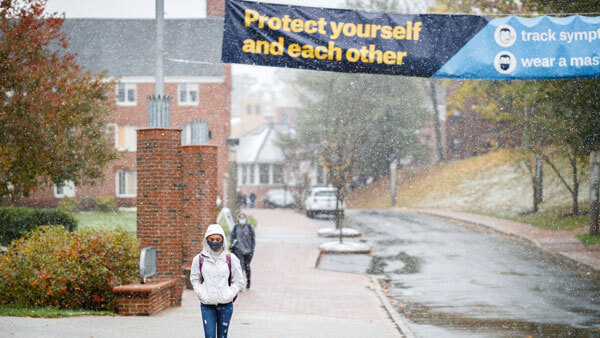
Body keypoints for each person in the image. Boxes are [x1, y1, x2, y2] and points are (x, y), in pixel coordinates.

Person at [190, 224, 244, 338]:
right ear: (207, 240)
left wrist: (229, 294)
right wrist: (201, 293)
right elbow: (194, 279)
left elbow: (238, 281)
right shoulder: (199, 259)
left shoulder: (231, 259)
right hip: (207, 304)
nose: (215, 242)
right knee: (209, 335)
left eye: (218, 239)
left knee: (222, 336)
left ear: (223, 240)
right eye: (212, 239)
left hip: (226, 305)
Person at [230, 212, 256, 289]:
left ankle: (248, 280)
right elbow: (232, 237)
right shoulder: (236, 227)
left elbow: (253, 239)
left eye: (243, 218)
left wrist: (252, 249)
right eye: (240, 218)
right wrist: (231, 245)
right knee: (240, 266)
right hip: (239, 250)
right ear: (238, 219)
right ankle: (240, 284)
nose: (242, 219)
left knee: (247, 266)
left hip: (248, 250)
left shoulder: (249, 227)